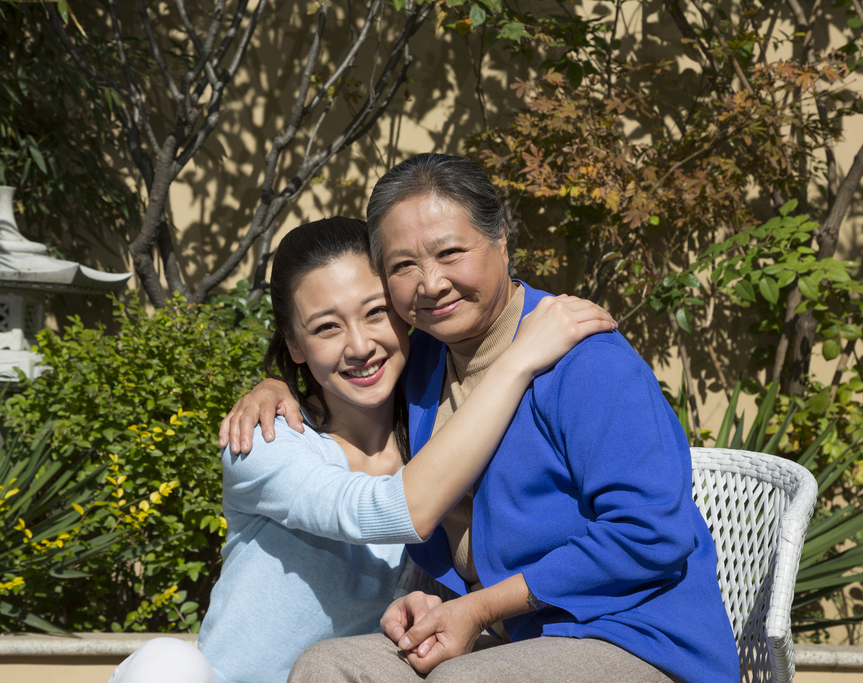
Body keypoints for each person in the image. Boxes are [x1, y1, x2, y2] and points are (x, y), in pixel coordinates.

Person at [221, 154, 740, 683]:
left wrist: (482, 607)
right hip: (513, 636)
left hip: (633, 636)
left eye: (451, 253)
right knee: (331, 667)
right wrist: (278, 383)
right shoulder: (422, 361)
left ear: (501, 241)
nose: (431, 283)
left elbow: (651, 533)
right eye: (403, 266)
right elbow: (352, 366)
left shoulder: (585, 358)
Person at [109, 216, 615, 683]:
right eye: (326, 326)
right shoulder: (267, 441)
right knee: (167, 662)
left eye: (375, 312)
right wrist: (519, 358)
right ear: (294, 344)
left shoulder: (436, 438)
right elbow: (390, 510)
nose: (359, 346)